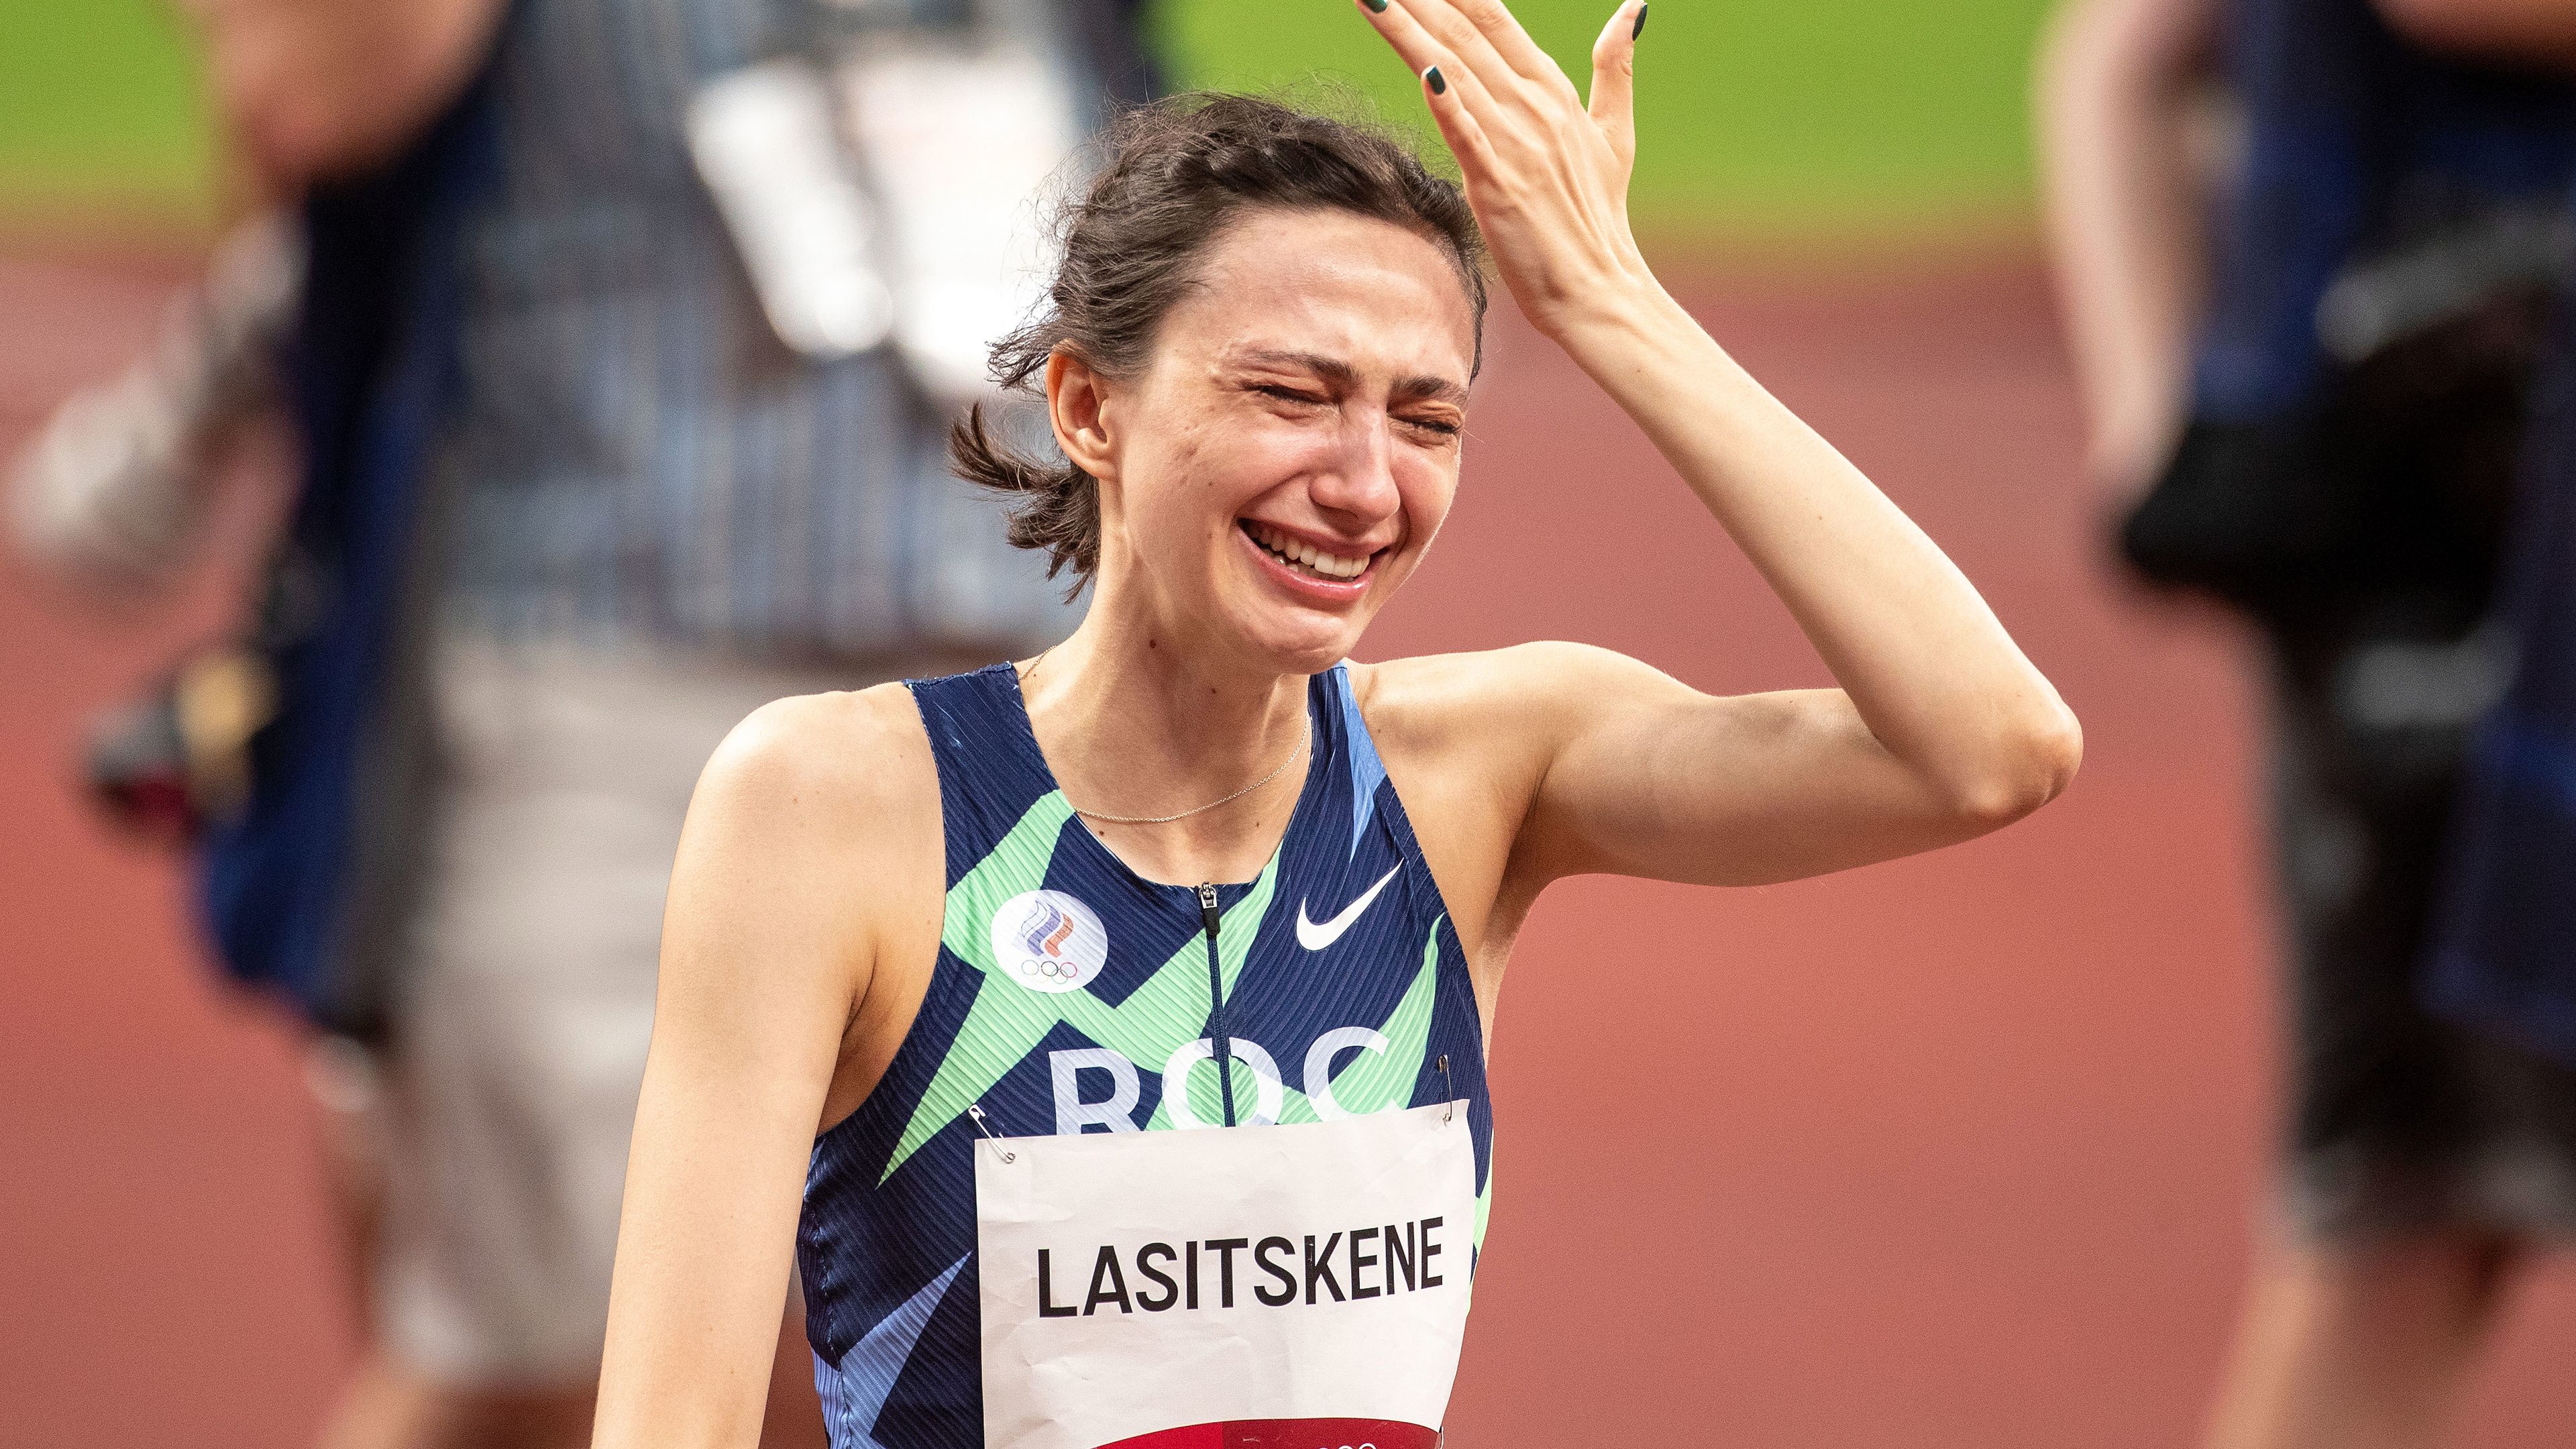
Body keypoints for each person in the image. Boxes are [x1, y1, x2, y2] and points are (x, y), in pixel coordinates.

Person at [592, 2, 2084, 1445]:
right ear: (1088, 410)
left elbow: (1989, 749)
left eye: (1426, 419)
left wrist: (1612, 306)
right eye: (1294, 395)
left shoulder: (1479, 772)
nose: (1368, 483)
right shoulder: (839, 808)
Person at [13, 1, 1154, 1446]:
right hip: (603, 658)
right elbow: (299, 91)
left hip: (1018, 640)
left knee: (972, 1341)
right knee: (569, 1359)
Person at [2039, 0, 2576, 1445]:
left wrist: (2166, 418)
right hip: (2472, 524)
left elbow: (2117, 52)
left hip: (2409, 487)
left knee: (2400, 1219)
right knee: (2397, 1219)